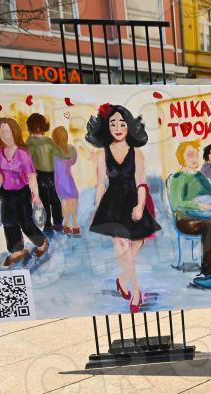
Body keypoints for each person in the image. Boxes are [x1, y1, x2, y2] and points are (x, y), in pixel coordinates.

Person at [86, 103, 161, 313]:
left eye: (122, 123)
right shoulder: (102, 154)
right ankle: (136, 291)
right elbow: (100, 184)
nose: (117, 128)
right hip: (112, 204)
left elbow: (141, 183)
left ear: (129, 126)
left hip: (134, 199)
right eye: (113, 123)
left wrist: (140, 206)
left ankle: (121, 279)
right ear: (106, 127)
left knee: (137, 243)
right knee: (120, 243)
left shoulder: (136, 153)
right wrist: (97, 208)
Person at [0, 117, 48, 266]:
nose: (4, 135)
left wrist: (36, 196)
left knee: (26, 223)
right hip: (6, 193)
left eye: (7, 131)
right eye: (1, 132)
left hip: (22, 193)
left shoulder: (23, 153)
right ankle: (16, 251)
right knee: (8, 223)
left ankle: (41, 243)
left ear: (14, 132)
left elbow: (31, 176)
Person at [170, 140, 211, 276]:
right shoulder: (178, 177)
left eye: (196, 155)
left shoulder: (200, 176)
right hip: (185, 220)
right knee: (208, 226)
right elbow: (175, 204)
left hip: (205, 215)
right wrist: (196, 205)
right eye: (190, 155)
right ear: (181, 158)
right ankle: (208, 270)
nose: (194, 158)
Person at [26, 113, 63, 233]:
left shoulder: (48, 140)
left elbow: (57, 153)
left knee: (54, 198)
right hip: (39, 173)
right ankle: (48, 225)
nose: (37, 128)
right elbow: (28, 158)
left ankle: (58, 222)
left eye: (39, 125)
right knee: (45, 200)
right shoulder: (30, 141)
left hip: (51, 172)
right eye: (35, 125)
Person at [51, 126, 80, 235]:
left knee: (64, 200)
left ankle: (67, 225)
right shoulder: (71, 149)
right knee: (73, 198)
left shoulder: (53, 151)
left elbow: (51, 165)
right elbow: (73, 161)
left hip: (58, 179)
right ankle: (75, 225)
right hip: (68, 178)